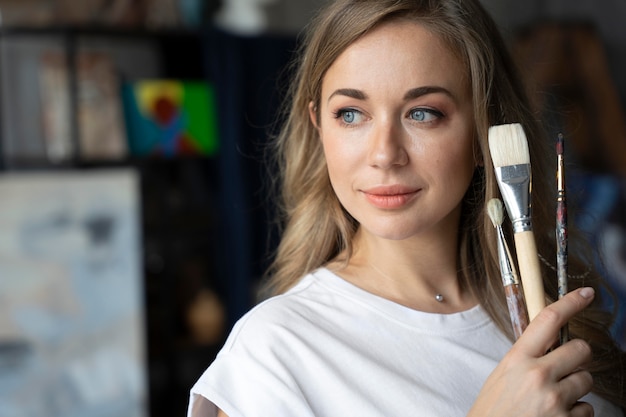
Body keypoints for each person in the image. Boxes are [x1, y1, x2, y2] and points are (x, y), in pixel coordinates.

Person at [188, 0, 626, 415]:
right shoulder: (272, 354)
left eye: (422, 113)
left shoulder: (555, 315)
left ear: (483, 132)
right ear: (318, 126)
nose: (384, 154)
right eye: (351, 114)